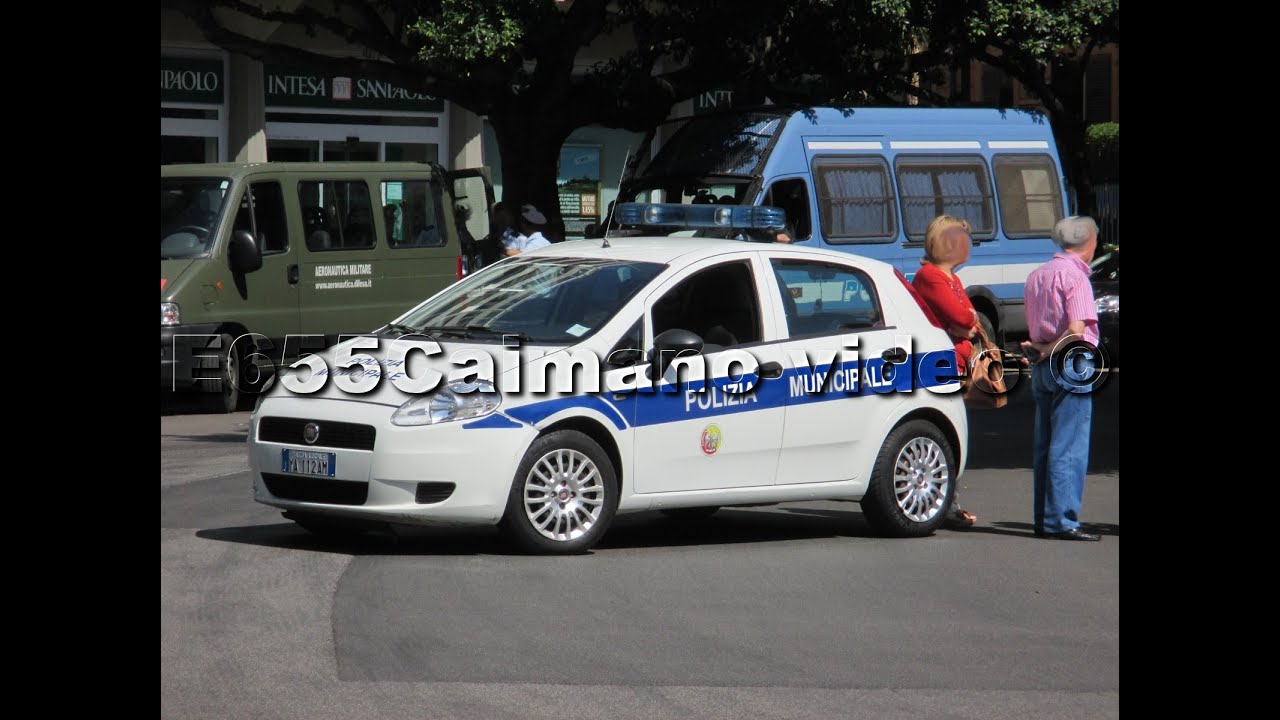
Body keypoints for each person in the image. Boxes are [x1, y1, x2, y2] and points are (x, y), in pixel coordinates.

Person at [1020, 216, 1103, 541]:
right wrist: (1050, 348)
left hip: (1042, 365)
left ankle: (1045, 518)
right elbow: (1076, 330)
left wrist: (1041, 348)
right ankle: (1063, 520)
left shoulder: (1037, 275)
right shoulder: (1076, 277)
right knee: (1069, 444)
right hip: (1071, 361)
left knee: (1045, 443)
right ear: (1089, 242)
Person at [912, 215, 980, 529]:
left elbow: (969, 317)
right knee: (943, 436)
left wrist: (966, 321)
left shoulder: (951, 278)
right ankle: (945, 503)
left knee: (952, 435)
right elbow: (962, 316)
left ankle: (948, 500)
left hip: (959, 364)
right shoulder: (930, 276)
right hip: (942, 364)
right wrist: (965, 322)